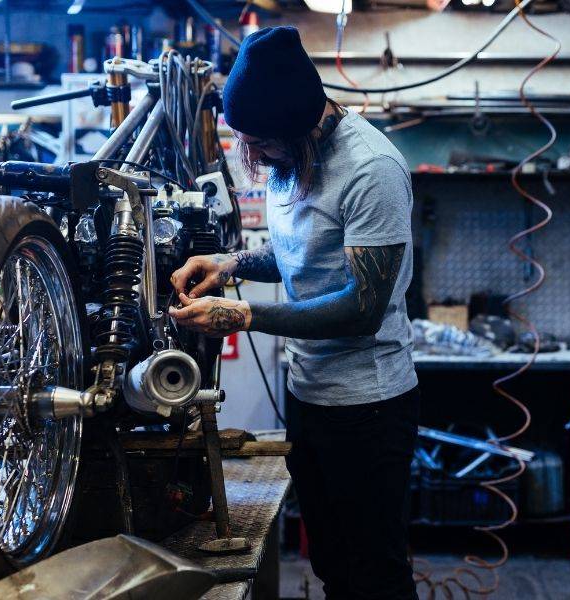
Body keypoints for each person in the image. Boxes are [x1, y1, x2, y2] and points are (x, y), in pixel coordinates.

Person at [168, 26, 419, 600]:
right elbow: (301, 259)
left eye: (259, 143)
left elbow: (362, 307)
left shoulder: (370, 170)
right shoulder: (291, 159)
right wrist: (229, 264)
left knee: (375, 575)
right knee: (331, 563)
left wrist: (243, 318)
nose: (251, 156)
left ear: (298, 126)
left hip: (369, 407)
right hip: (309, 395)